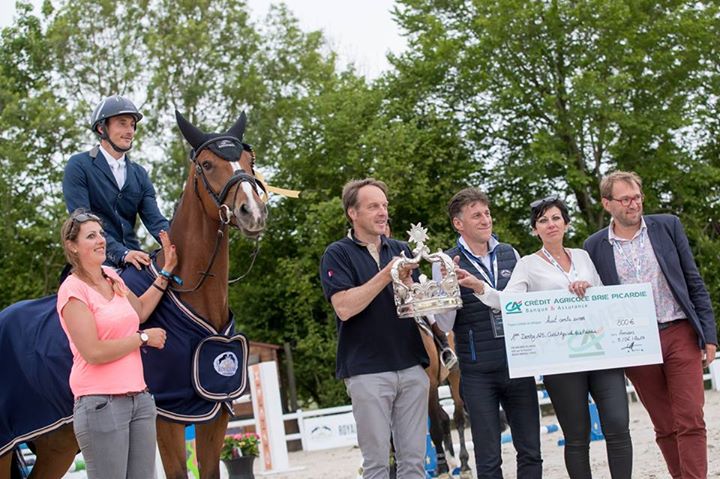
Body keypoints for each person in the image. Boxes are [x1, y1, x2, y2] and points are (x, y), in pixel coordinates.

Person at [454, 194, 633, 478]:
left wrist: (591, 288)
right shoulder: (526, 264)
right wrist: (480, 288)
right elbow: (509, 305)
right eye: (543, 220)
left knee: (618, 425)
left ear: (566, 223)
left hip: (600, 353)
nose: (551, 225)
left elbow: (605, 303)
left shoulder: (584, 256)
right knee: (576, 437)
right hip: (561, 360)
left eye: (556, 218)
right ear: (535, 229)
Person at [584, 171, 717, 478]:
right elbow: (596, 297)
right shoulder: (594, 246)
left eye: (637, 197)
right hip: (636, 344)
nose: (634, 204)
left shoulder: (668, 226)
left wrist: (708, 336)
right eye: (625, 199)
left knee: (690, 417)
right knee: (664, 423)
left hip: (679, 331)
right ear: (607, 204)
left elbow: (693, 281)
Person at [319, 178, 429, 479]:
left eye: (384, 206)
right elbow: (344, 307)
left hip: (411, 365)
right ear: (352, 213)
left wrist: (422, 287)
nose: (383, 212)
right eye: (373, 207)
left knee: (415, 464)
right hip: (367, 372)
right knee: (377, 465)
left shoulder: (402, 249)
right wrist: (388, 273)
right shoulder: (336, 253)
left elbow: (415, 306)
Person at [432, 187, 543, 479]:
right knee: (489, 457)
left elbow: (524, 306)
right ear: (459, 223)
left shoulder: (510, 254)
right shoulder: (445, 263)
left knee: (531, 451)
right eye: (476, 215)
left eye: (487, 213)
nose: (485, 220)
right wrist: (448, 290)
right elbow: (443, 326)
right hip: (477, 371)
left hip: (518, 365)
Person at [57, 209, 177, 478]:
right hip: (101, 405)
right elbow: (93, 352)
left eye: (101, 233)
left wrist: (166, 271)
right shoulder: (72, 289)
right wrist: (143, 338)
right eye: (91, 236)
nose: (101, 240)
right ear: (73, 247)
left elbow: (141, 311)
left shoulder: (112, 276)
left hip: (140, 400)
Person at [63, 95, 169, 269]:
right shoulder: (79, 166)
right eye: (122, 123)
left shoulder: (140, 174)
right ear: (101, 128)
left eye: (132, 125)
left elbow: (156, 222)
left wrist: (180, 245)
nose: (130, 131)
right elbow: (82, 221)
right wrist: (122, 253)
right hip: (96, 262)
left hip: (135, 260)